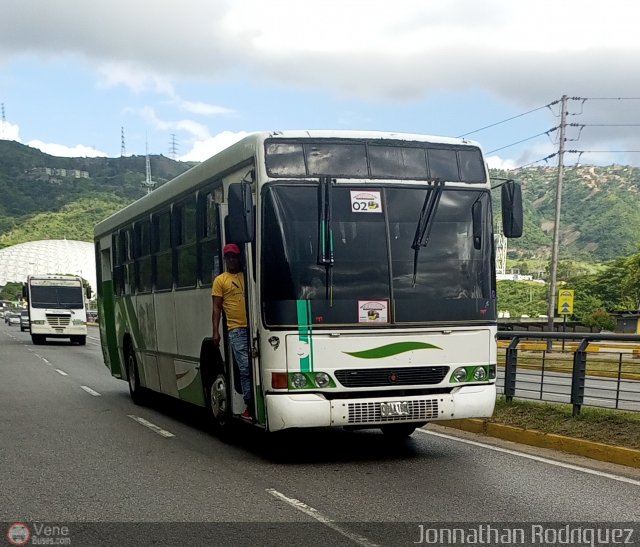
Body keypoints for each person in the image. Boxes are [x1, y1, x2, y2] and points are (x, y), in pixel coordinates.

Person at [212, 243, 252, 420]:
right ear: (225, 259)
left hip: (254, 328)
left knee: (254, 367)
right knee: (244, 368)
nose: (231, 259)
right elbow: (216, 308)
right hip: (236, 330)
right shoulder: (221, 280)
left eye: (234, 256)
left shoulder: (248, 275)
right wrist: (216, 331)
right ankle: (249, 405)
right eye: (228, 257)